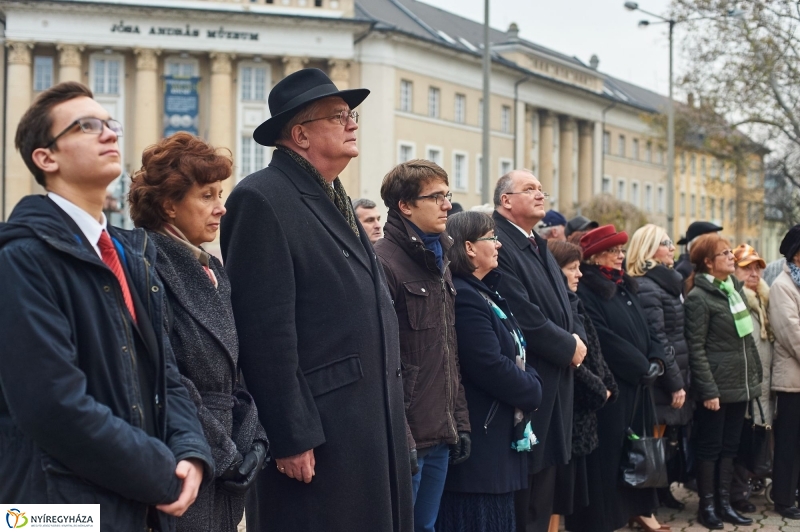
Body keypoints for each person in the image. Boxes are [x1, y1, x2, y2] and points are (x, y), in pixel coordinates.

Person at [0, 82, 213, 531]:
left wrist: (191, 452)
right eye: (87, 126)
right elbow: (51, 405)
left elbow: (166, 376)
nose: (110, 134)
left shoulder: (126, 255)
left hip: (134, 502)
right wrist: (160, 473)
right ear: (46, 158)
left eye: (111, 124)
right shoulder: (21, 259)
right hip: (51, 511)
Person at [221, 68, 413, 532]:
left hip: (368, 420)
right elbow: (264, 331)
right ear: (301, 134)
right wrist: (289, 435)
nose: (353, 124)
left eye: (352, 115)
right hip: (321, 434)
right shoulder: (262, 199)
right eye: (339, 116)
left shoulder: (332, 195)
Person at [128, 132, 269, 531]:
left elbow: (235, 370)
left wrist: (254, 439)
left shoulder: (212, 269)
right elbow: (165, 375)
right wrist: (225, 456)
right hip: (185, 457)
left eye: (220, 194)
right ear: (169, 205)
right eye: (207, 196)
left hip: (226, 458)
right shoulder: (148, 265)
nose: (221, 208)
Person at [375, 160, 471, 532]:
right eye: (436, 197)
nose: (447, 205)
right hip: (409, 436)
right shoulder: (384, 263)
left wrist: (459, 422)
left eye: (448, 195)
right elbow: (385, 361)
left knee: (426, 527)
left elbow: (449, 351)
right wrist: (404, 437)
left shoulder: (440, 260)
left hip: (440, 432)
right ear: (405, 205)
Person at [491, 170, 588, 532]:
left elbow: (566, 302)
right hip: (532, 381)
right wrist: (568, 346)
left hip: (556, 379)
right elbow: (522, 314)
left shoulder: (536, 242)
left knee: (545, 487)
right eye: (529, 189)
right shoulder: (500, 242)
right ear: (506, 200)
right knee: (528, 493)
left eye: (541, 189)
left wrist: (576, 338)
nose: (540, 194)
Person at [437, 211, 543, 532]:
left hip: (495, 439)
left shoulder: (484, 292)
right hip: (482, 445)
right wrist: (533, 388)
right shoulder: (466, 296)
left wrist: (529, 379)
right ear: (469, 247)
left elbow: (515, 349)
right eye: (491, 238)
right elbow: (488, 365)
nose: (498, 244)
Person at [567, 225, 666, 532]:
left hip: (639, 384)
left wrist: (656, 359)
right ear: (596, 257)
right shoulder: (589, 288)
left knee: (637, 449)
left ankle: (638, 509)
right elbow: (604, 339)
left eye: (622, 251)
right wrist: (639, 365)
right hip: (615, 385)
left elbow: (647, 329)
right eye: (614, 251)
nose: (620, 256)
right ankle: (605, 518)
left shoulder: (625, 285)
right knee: (610, 454)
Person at [684, 233, 762, 529]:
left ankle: (725, 504)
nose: (732, 257)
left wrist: (754, 376)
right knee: (710, 448)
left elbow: (747, 340)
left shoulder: (733, 290)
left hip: (738, 384)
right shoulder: (699, 298)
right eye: (725, 253)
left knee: (731, 447)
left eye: (731, 252)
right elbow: (696, 348)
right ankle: (707, 508)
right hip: (715, 388)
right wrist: (708, 389)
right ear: (708, 262)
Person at [548, 241, 618, 525]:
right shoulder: (558, 305)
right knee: (558, 499)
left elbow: (595, 352)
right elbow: (573, 362)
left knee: (574, 496)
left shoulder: (573, 301)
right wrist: (600, 389)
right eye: (571, 268)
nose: (578, 274)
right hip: (572, 410)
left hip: (586, 412)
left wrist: (607, 382)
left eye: (579, 267)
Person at [627, 224, 692, 511]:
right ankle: (645, 504)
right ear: (649, 249)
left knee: (665, 439)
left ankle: (659, 494)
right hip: (662, 379)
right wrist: (675, 382)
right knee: (652, 440)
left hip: (673, 370)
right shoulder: (647, 285)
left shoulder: (666, 280)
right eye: (665, 242)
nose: (672, 248)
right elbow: (660, 339)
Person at [730, 244, 773, 514]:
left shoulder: (763, 302)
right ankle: (737, 493)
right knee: (742, 439)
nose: (754, 273)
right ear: (735, 270)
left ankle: (751, 483)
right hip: (744, 382)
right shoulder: (737, 301)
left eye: (757, 267)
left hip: (765, 382)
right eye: (747, 268)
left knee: (757, 436)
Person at [767, 226, 800, 519]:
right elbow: (792, 333)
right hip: (793, 380)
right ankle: (783, 498)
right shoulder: (783, 285)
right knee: (789, 441)